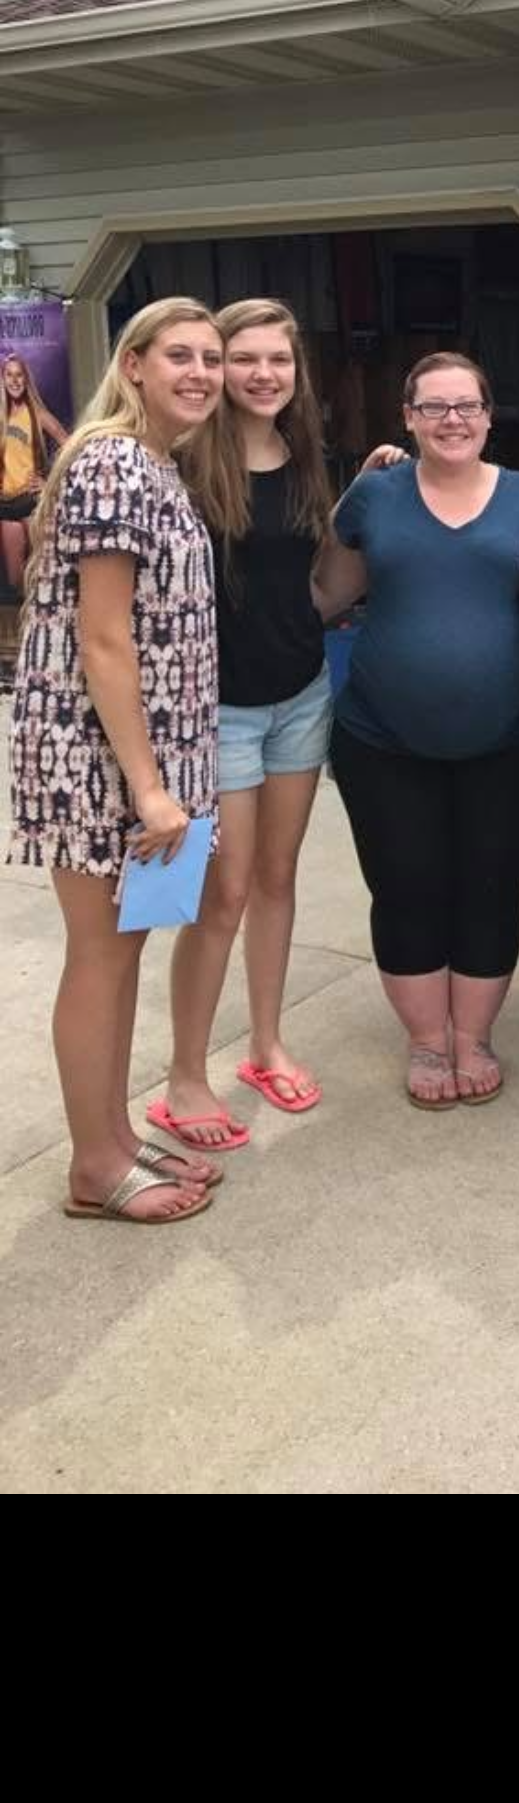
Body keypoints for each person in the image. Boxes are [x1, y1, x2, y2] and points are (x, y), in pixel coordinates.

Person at [7, 301, 225, 1224]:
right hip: (97, 757)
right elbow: (103, 641)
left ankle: (114, 1135)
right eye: (179, 355)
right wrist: (148, 786)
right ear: (132, 365)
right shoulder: (111, 460)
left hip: (145, 754)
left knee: (124, 950)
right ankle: (94, 1167)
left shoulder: (159, 465)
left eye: (211, 358)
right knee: (100, 957)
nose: (202, 372)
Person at [163, 301, 384, 1148]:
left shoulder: (308, 458)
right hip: (218, 709)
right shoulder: (183, 461)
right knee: (222, 893)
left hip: (299, 696)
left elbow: (325, 576)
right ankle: (185, 1073)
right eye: (242, 358)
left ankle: (265, 1043)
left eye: (277, 361)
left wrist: (376, 489)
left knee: (278, 882)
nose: (261, 374)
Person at [313, 351, 519, 1108]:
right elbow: (325, 596)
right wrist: (345, 496)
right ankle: (425, 1040)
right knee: (407, 886)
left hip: (505, 738)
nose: (453, 420)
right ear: (408, 417)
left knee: (491, 885)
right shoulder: (376, 497)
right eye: (434, 407)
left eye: (467, 406)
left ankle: (472, 1037)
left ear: (488, 415)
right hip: (383, 739)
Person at [1, 352, 67, 594]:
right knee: (16, 577)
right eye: (9, 375)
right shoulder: (1, 417)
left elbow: (69, 444)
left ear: (26, 380)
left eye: (20, 375)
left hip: (31, 501)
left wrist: (48, 482)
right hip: (6, 502)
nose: (15, 380)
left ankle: (41, 623)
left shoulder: (36, 414)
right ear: (3, 379)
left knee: (41, 569)